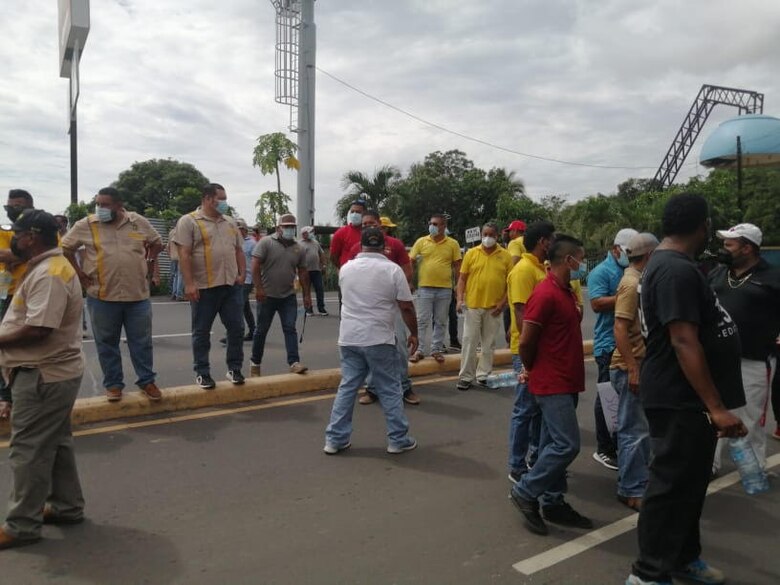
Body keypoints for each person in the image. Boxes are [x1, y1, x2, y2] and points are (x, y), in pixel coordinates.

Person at [627, 194, 746, 585]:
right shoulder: (674, 269)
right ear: (703, 226)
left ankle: (682, 557)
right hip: (679, 398)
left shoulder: (674, 265)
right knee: (670, 486)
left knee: (691, 485)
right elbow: (682, 340)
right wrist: (716, 406)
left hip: (687, 398)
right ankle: (647, 575)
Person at [0, 210, 85, 550]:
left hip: (43, 375)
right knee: (57, 443)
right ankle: (67, 507)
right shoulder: (47, 267)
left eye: (16, 235)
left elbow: (39, 329)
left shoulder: (50, 272)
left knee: (28, 450)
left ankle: (21, 525)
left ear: (30, 237)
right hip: (49, 374)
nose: (14, 242)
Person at [509, 235, 592, 536]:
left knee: (548, 445)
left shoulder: (566, 291)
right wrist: (532, 368)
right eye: (580, 258)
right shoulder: (545, 294)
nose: (582, 264)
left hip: (566, 379)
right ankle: (525, 491)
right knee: (566, 444)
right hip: (551, 381)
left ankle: (553, 501)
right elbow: (527, 340)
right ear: (568, 260)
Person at [62, 187, 163, 403]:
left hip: (138, 296)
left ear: (119, 205)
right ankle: (114, 385)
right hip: (102, 296)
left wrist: (149, 261)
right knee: (107, 343)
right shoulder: (86, 225)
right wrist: (79, 274)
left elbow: (157, 243)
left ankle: (147, 380)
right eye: (98, 204)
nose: (100, 208)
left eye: (105, 204)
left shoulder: (137, 221)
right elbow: (66, 248)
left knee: (142, 342)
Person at [323, 227, 418, 455]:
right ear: (383, 246)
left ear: (361, 245)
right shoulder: (393, 270)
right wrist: (414, 333)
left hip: (349, 337)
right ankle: (398, 439)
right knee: (389, 388)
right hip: (379, 338)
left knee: (347, 387)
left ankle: (335, 439)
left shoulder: (346, 269)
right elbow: (405, 306)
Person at [709, 223, 780, 476]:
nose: (723, 249)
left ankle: (751, 470)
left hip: (754, 360)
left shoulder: (772, 278)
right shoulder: (717, 274)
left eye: (730, 245)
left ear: (747, 248)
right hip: (717, 359)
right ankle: (710, 465)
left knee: (749, 416)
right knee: (714, 413)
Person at [174, 183, 246, 389]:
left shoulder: (230, 222)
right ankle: (202, 372)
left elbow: (239, 250)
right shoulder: (189, 221)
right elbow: (184, 254)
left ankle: (235, 368)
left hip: (230, 286)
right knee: (201, 332)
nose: (224, 203)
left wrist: (241, 274)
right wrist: (189, 284)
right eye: (220, 199)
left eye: (225, 199)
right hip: (204, 287)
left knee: (236, 329)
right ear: (206, 199)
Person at [348, 211, 419, 405]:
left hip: (394, 304)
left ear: (380, 224)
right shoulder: (357, 248)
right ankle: (372, 389)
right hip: (370, 308)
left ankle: (405, 387)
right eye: (364, 225)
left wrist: (400, 290)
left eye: (371, 223)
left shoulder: (394, 244)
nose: (368, 227)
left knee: (400, 348)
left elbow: (407, 269)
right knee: (371, 347)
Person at [610, 232, 658, 511]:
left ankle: (638, 478)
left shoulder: (640, 279)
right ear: (650, 255)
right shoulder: (631, 283)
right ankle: (630, 488)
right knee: (634, 430)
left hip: (640, 363)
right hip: (631, 365)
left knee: (641, 429)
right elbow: (620, 328)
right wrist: (633, 369)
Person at [506, 221, 556, 483]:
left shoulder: (541, 269)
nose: (554, 244)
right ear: (542, 242)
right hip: (527, 350)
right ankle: (516, 465)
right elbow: (521, 312)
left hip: (539, 349)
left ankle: (535, 458)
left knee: (537, 409)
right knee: (524, 409)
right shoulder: (524, 270)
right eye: (552, 239)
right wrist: (528, 356)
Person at [587, 227, 638, 470]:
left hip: (632, 343)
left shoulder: (633, 270)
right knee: (608, 395)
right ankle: (604, 448)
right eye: (628, 251)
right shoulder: (602, 271)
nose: (631, 255)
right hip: (608, 343)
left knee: (626, 397)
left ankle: (620, 443)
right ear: (616, 249)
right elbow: (596, 303)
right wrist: (629, 295)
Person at [250, 214, 310, 377]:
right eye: (287, 226)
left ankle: (294, 362)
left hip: (288, 296)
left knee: (290, 328)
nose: (290, 229)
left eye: (292, 226)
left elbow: (303, 272)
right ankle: (255, 363)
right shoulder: (266, 242)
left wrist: (306, 295)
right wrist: (259, 288)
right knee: (261, 330)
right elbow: (255, 265)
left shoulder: (299, 247)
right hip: (267, 295)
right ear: (278, 228)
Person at [456, 223, 512, 390]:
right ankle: (466, 376)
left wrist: (502, 304)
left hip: (494, 308)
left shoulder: (506, 256)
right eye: (485, 234)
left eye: (491, 234)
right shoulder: (472, 254)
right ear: (481, 235)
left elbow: (511, 283)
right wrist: (459, 299)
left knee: (488, 344)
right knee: (469, 341)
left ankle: (483, 375)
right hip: (473, 306)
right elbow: (462, 279)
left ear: (497, 236)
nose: (487, 237)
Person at [409, 213, 462, 363]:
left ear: (443, 226)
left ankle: (436, 349)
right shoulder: (421, 241)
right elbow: (411, 260)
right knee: (422, 320)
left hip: (445, 289)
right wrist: (410, 281)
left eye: (436, 224)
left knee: (440, 320)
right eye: (431, 223)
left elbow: (458, 266)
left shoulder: (453, 244)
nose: (432, 226)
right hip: (425, 288)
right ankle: (419, 350)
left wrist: (458, 285)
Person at [299, 226, 328, 316]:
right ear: (304, 233)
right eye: (310, 232)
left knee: (319, 289)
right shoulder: (299, 244)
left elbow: (321, 253)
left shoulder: (315, 243)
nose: (312, 233)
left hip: (316, 270)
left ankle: (321, 308)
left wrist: (323, 265)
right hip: (305, 271)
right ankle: (308, 309)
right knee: (306, 290)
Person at [167, 225, 185, 301]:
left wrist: (170, 255)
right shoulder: (182, 232)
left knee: (175, 275)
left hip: (173, 256)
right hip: (180, 256)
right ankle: (179, 294)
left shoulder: (171, 232)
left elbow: (167, 246)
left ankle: (174, 293)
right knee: (180, 275)